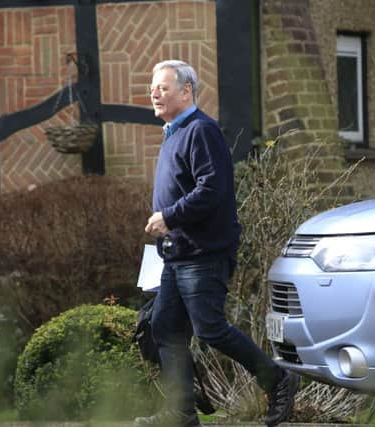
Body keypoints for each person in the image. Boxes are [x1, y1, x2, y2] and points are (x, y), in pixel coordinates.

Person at [134, 60, 300, 427]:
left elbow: (212, 190)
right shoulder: (173, 133)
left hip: (203, 254)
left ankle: (278, 379)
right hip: (177, 255)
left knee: (209, 328)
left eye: (162, 87)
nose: (154, 93)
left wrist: (169, 216)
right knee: (164, 328)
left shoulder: (201, 131)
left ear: (187, 91)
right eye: (152, 87)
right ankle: (181, 414)